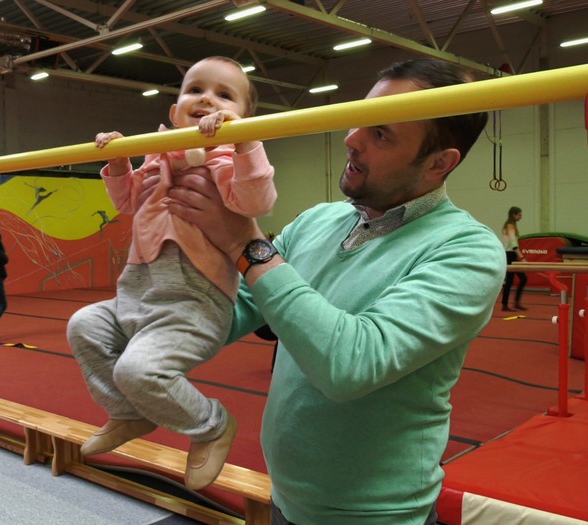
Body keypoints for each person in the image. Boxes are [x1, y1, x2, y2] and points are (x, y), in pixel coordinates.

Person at [163, 58, 506, 524]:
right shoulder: (318, 220)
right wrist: (137, 326)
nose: (351, 138)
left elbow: (350, 365)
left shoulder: (469, 251)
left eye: (380, 133)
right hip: (285, 500)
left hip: (377, 516)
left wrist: (244, 241)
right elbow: (230, 309)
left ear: (438, 164)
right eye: (359, 119)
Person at [66, 56, 276, 490]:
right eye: (194, 90)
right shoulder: (157, 152)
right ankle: (129, 413)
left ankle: (212, 425)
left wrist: (245, 142)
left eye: (224, 95)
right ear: (173, 109)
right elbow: (127, 203)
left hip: (192, 302)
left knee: (139, 371)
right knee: (83, 324)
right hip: (136, 295)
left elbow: (255, 202)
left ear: (242, 116)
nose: (206, 99)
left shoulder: (223, 157)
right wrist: (122, 163)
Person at [501, 206, 527, 311]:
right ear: (514, 215)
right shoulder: (510, 226)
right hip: (510, 255)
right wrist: (522, 257)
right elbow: (513, 244)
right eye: (519, 214)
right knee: (510, 281)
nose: (521, 217)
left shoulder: (511, 226)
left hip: (512, 255)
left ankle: (515, 302)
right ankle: (505, 305)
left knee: (523, 279)